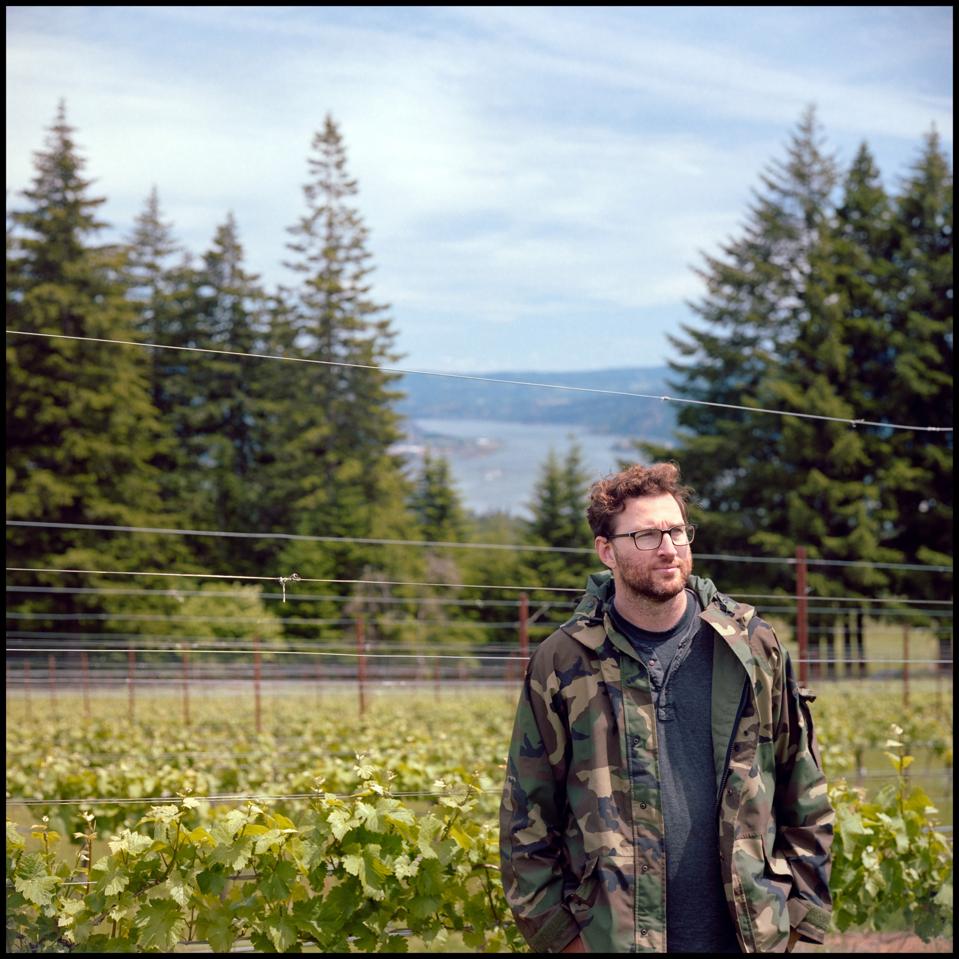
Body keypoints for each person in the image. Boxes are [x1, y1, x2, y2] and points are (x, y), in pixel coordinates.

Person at [499, 462, 833, 953]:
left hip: (749, 936)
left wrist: (800, 922)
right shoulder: (565, 660)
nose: (668, 547)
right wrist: (561, 939)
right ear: (606, 551)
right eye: (646, 535)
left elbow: (803, 789)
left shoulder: (752, 647)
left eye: (676, 530)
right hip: (612, 939)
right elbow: (525, 817)